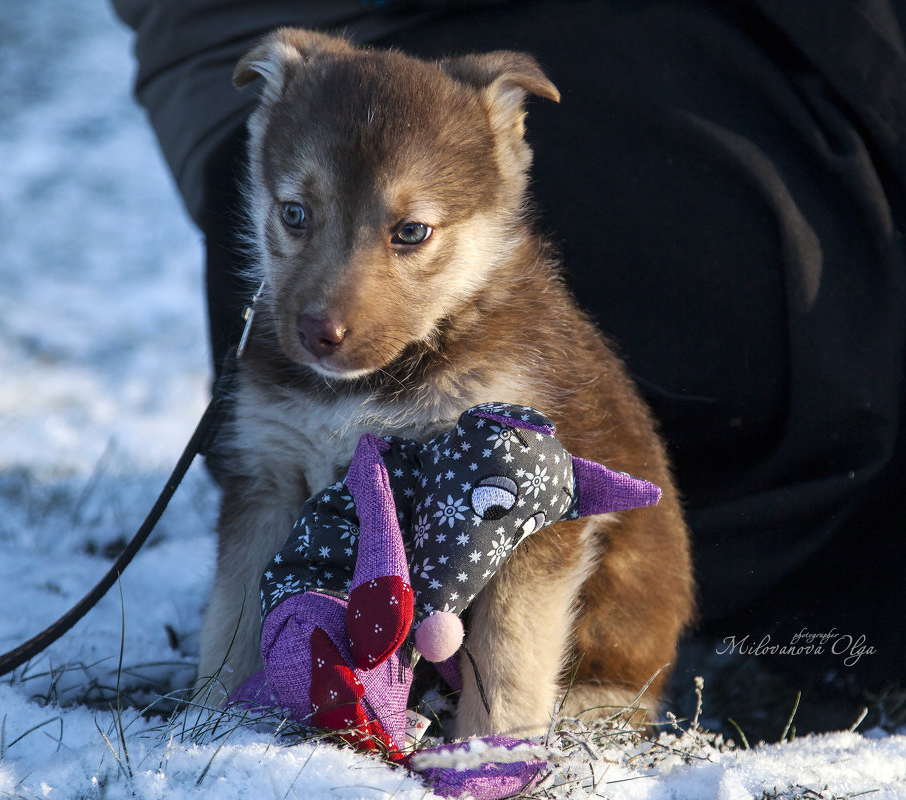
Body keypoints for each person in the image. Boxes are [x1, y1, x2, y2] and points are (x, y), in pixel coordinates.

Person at [107, 0, 906, 718]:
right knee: (262, 490)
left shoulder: (508, 359)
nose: (329, 309)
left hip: (591, 647)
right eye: (296, 218)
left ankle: (547, 708)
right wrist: (217, 708)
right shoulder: (283, 338)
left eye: (409, 236)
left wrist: (501, 729)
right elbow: (261, 508)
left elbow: (544, 530)